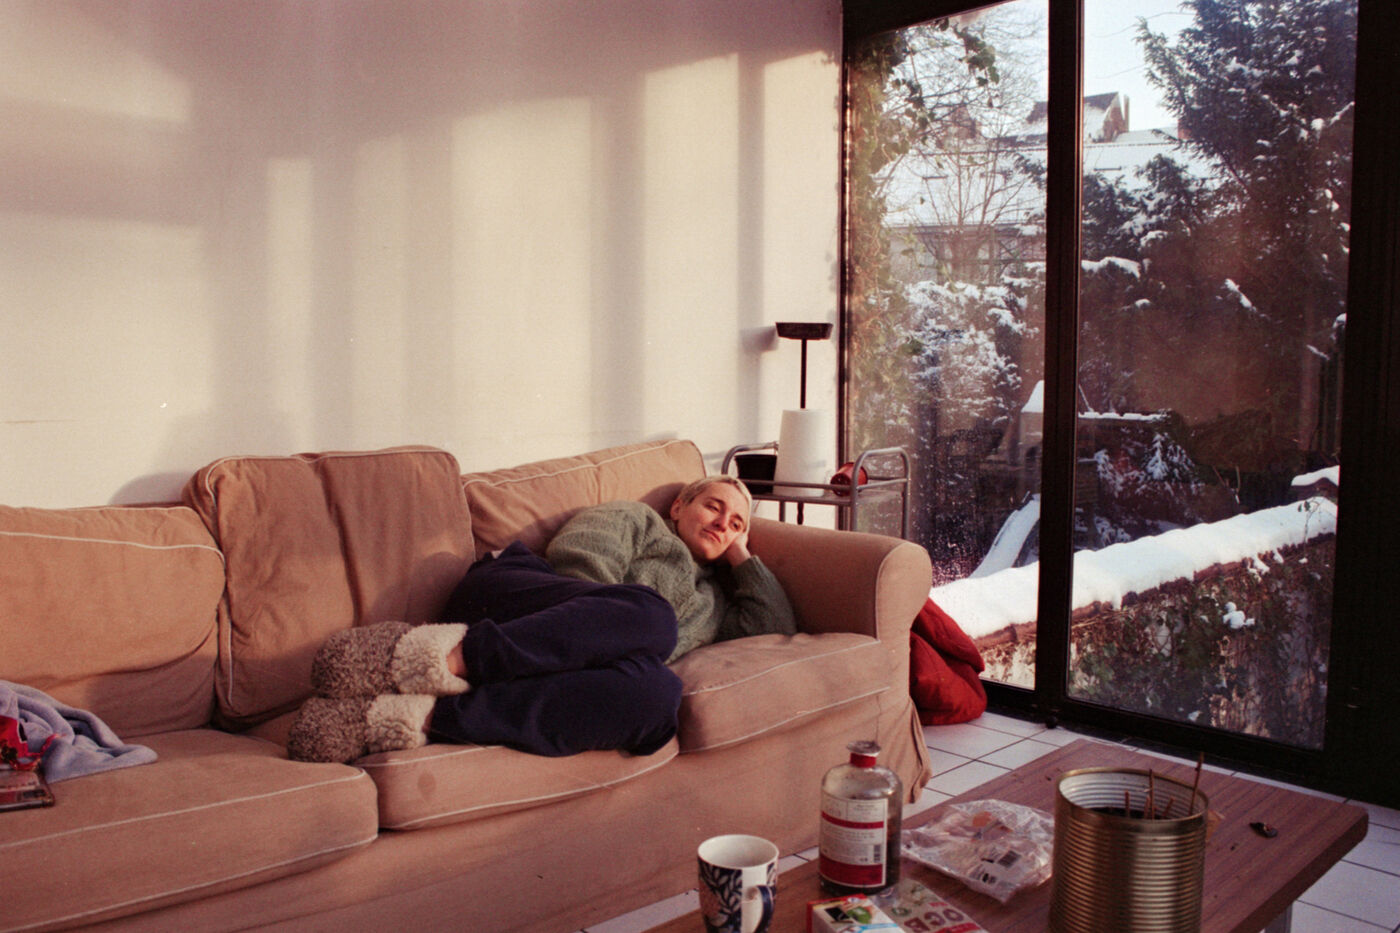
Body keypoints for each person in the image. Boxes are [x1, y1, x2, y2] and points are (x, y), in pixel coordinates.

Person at [287, 475, 796, 763]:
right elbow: (580, 558)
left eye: (735, 523)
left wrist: (741, 556)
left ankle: (415, 716)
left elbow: (773, 626)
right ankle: (427, 657)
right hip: (514, 601)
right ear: (680, 505)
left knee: (657, 700)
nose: (721, 524)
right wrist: (601, 638)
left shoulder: (714, 601)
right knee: (651, 617)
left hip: (543, 662)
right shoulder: (640, 520)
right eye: (713, 507)